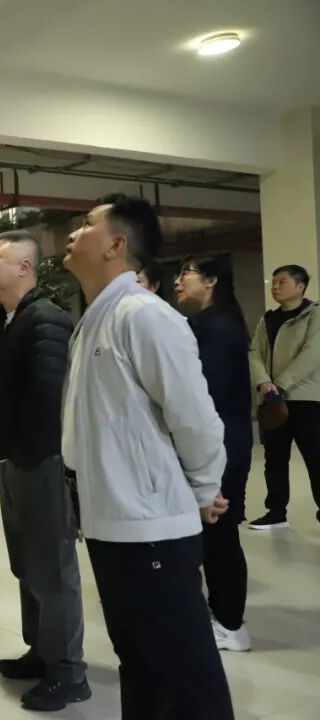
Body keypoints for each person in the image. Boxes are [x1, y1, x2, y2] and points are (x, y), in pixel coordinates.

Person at [61, 196, 234, 719]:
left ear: (115, 245)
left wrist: (202, 490)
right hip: (111, 522)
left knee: (184, 675)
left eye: (87, 225)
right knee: (140, 663)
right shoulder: (94, 318)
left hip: (150, 527)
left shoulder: (142, 315)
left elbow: (196, 418)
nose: (72, 233)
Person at [0, 232, 90, 712]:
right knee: (27, 564)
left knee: (51, 568)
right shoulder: (13, 321)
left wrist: (21, 456)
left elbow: (49, 401)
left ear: (24, 267)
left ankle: (68, 672)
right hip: (16, 461)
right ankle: (41, 651)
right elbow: (3, 399)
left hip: (42, 460)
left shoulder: (46, 319)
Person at [174, 255, 253, 652]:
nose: (178, 281)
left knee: (221, 536)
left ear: (211, 281)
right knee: (211, 536)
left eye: (185, 274)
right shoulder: (206, 324)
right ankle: (220, 611)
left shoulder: (218, 328)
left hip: (222, 445)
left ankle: (232, 624)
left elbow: (208, 395)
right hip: (219, 442)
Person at [247, 264, 320, 530]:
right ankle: (276, 512)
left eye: (282, 282)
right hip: (272, 400)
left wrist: (280, 384)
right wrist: (263, 382)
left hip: (305, 398)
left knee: (315, 457)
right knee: (274, 458)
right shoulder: (267, 320)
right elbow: (254, 353)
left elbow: (313, 353)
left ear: (300, 287)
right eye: (274, 282)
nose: (275, 286)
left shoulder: (314, 315)